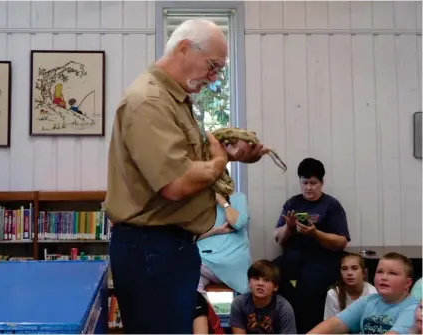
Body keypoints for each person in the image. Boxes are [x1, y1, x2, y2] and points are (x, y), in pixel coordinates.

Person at [105, 18, 269, 334]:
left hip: (171, 246)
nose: (214, 76)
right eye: (212, 65)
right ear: (184, 48)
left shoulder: (174, 99)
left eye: (219, 70)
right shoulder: (150, 100)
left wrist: (230, 155)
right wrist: (220, 163)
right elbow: (176, 182)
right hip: (152, 248)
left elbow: (183, 161)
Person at [272, 157, 351, 333]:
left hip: (323, 258)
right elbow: (278, 238)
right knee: (270, 273)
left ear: (321, 183)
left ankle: (309, 329)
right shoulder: (292, 203)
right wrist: (289, 227)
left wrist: (315, 233)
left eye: (313, 183)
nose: (308, 187)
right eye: (305, 182)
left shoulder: (331, 205)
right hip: (294, 257)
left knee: (308, 287)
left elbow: (342, 241)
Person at [309, 252, 420, 334]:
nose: (384, 277)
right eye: (380, 272)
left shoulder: (415, 309)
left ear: (408, 283)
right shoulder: (368, 301)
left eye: (392, 273)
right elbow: (334, 324)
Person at [197, 191, 252, 295]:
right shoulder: (196, 200)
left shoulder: (237, 198)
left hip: (229, 261)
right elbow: (189, 236)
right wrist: (214, 231)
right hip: (203, 261)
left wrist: (222, 201)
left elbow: (238, 222)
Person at [229, 259, 297, 334]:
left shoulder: (283, 308)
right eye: (256, 279)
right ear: (249, 283)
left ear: (275, 287)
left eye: (266, 280)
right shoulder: (239, 303)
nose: (260, 283)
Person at [324, 253, 377, 319]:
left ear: (363, 273)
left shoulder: (373, 294)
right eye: (344, 269)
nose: (349, 273)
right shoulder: (334, 294)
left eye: (354, 268)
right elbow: (329, 325)